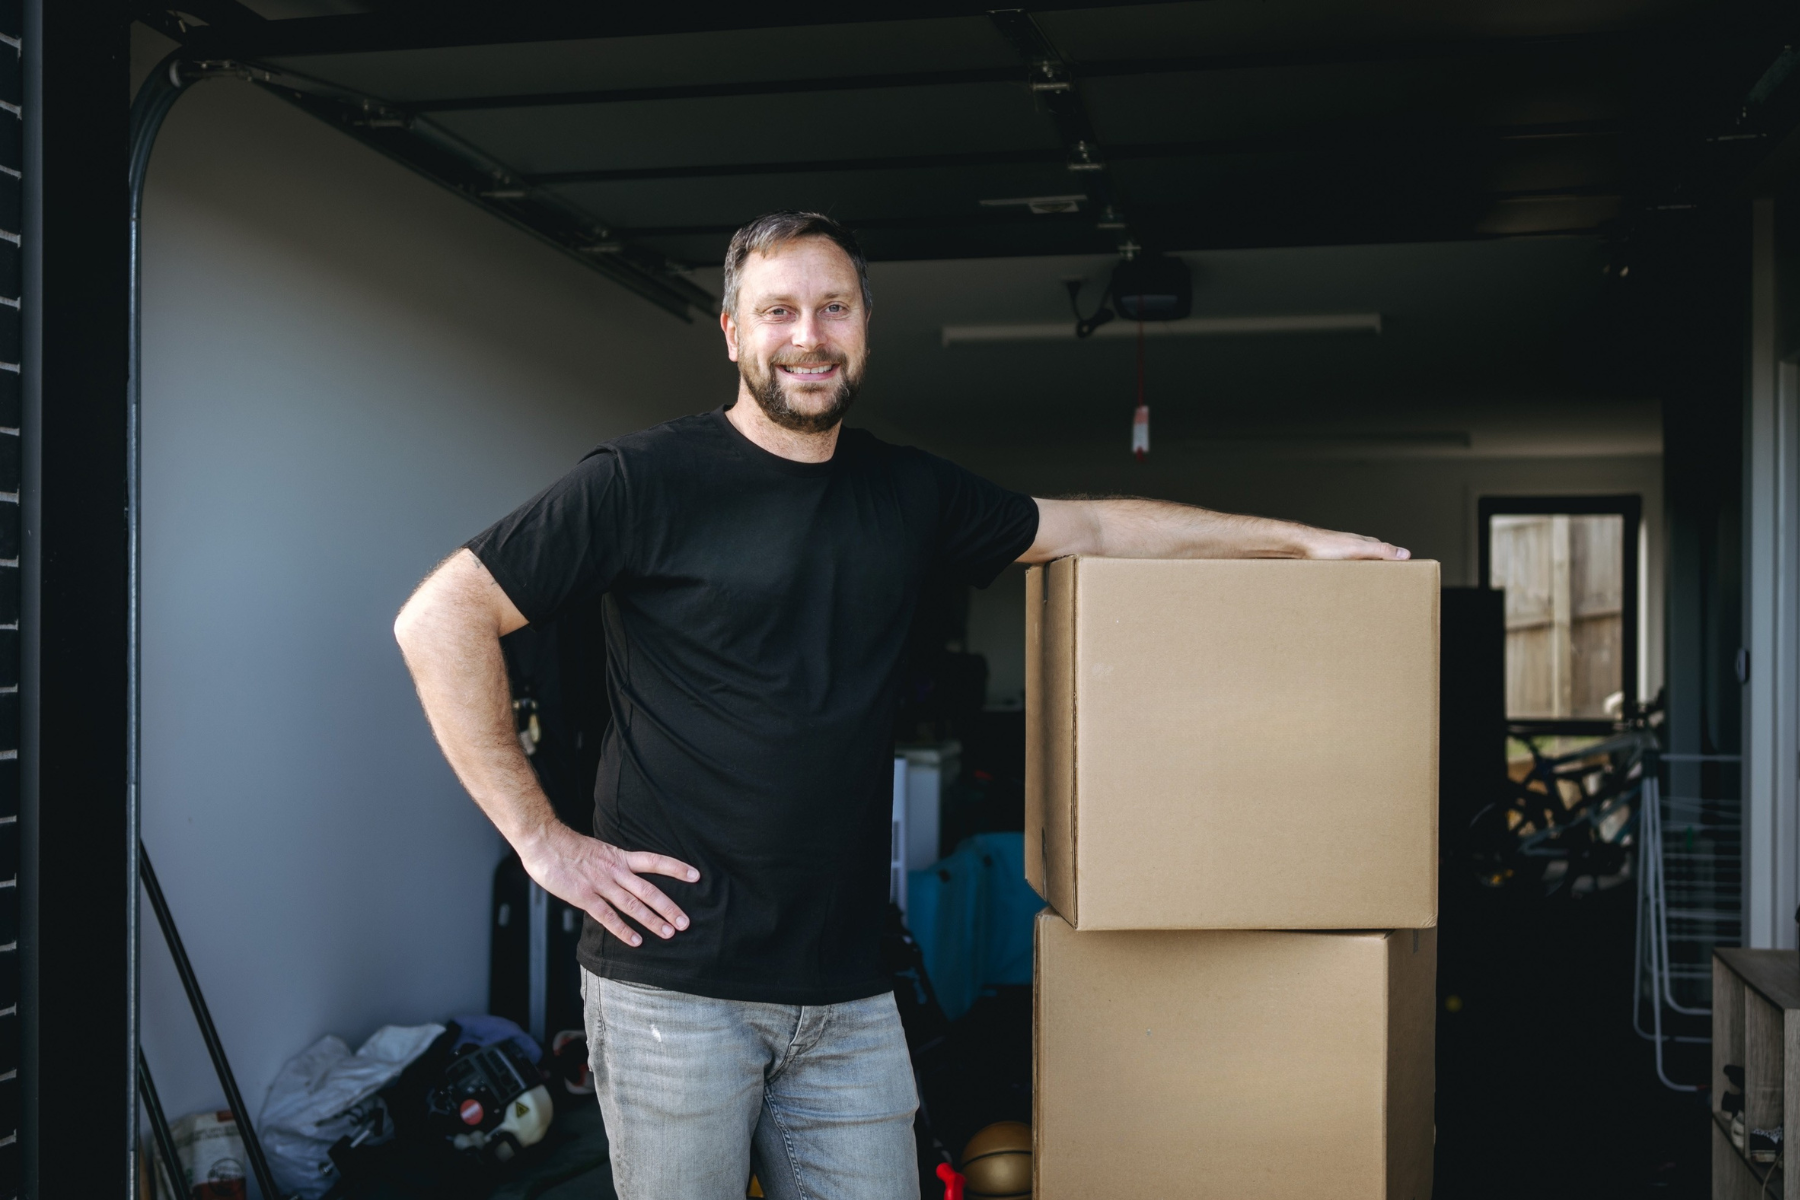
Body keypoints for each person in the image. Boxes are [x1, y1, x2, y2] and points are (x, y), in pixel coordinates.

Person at [393, 211, 1409, 1199]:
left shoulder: (908, 494)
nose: (808, 336)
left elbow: (1092, 522)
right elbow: (440, 619)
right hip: (676, 989)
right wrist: (542, 842)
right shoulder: (642, 482)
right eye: (779, 311)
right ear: (734, 332)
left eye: (833, 309)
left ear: (865, 326)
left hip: (849, 990)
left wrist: (1296, 544)